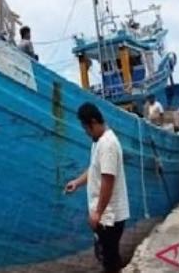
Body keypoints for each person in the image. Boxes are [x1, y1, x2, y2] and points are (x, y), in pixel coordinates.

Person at [65, 103, 130, 273]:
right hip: (106, 216)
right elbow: (94, 168)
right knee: (107, 256)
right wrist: (77, 182)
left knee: (109, 260)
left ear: (93, 122)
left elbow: (108, 181)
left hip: (110, 216)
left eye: (86, 128)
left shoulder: (108, 144)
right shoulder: (98, 141)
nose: (86, 132)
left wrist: (97, 213)